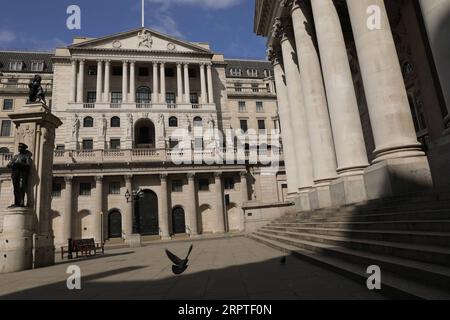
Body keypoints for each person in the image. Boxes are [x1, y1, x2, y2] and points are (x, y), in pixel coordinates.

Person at [7, 143, 32, 207]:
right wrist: (13, 164)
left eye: (21, 147)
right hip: (15, 173)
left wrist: (20, 164)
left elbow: (28, 165)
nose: (19, 148)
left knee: (21, 187)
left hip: (22, 173)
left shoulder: (26, 156)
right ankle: (16, 202)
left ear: (24, 148)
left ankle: (22, 202)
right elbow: (8, 165)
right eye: (19, 147)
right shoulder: (15, 156)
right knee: (15, 189)